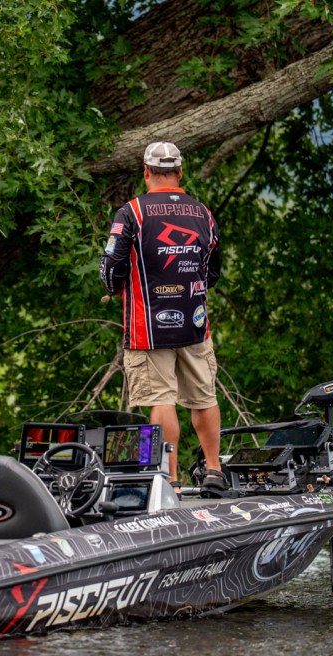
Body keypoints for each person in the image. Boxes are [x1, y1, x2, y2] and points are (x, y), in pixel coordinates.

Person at [98, 141, 225, 495]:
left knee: (161, 399)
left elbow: (110, 266)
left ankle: (170, 480)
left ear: (146, 172)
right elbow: (214, 270)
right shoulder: (203, 213)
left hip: (148, 327)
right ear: (180, 172)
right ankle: (214, 471)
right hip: (195, 324)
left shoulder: (132, 212)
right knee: (204, 397)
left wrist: (113, 287)